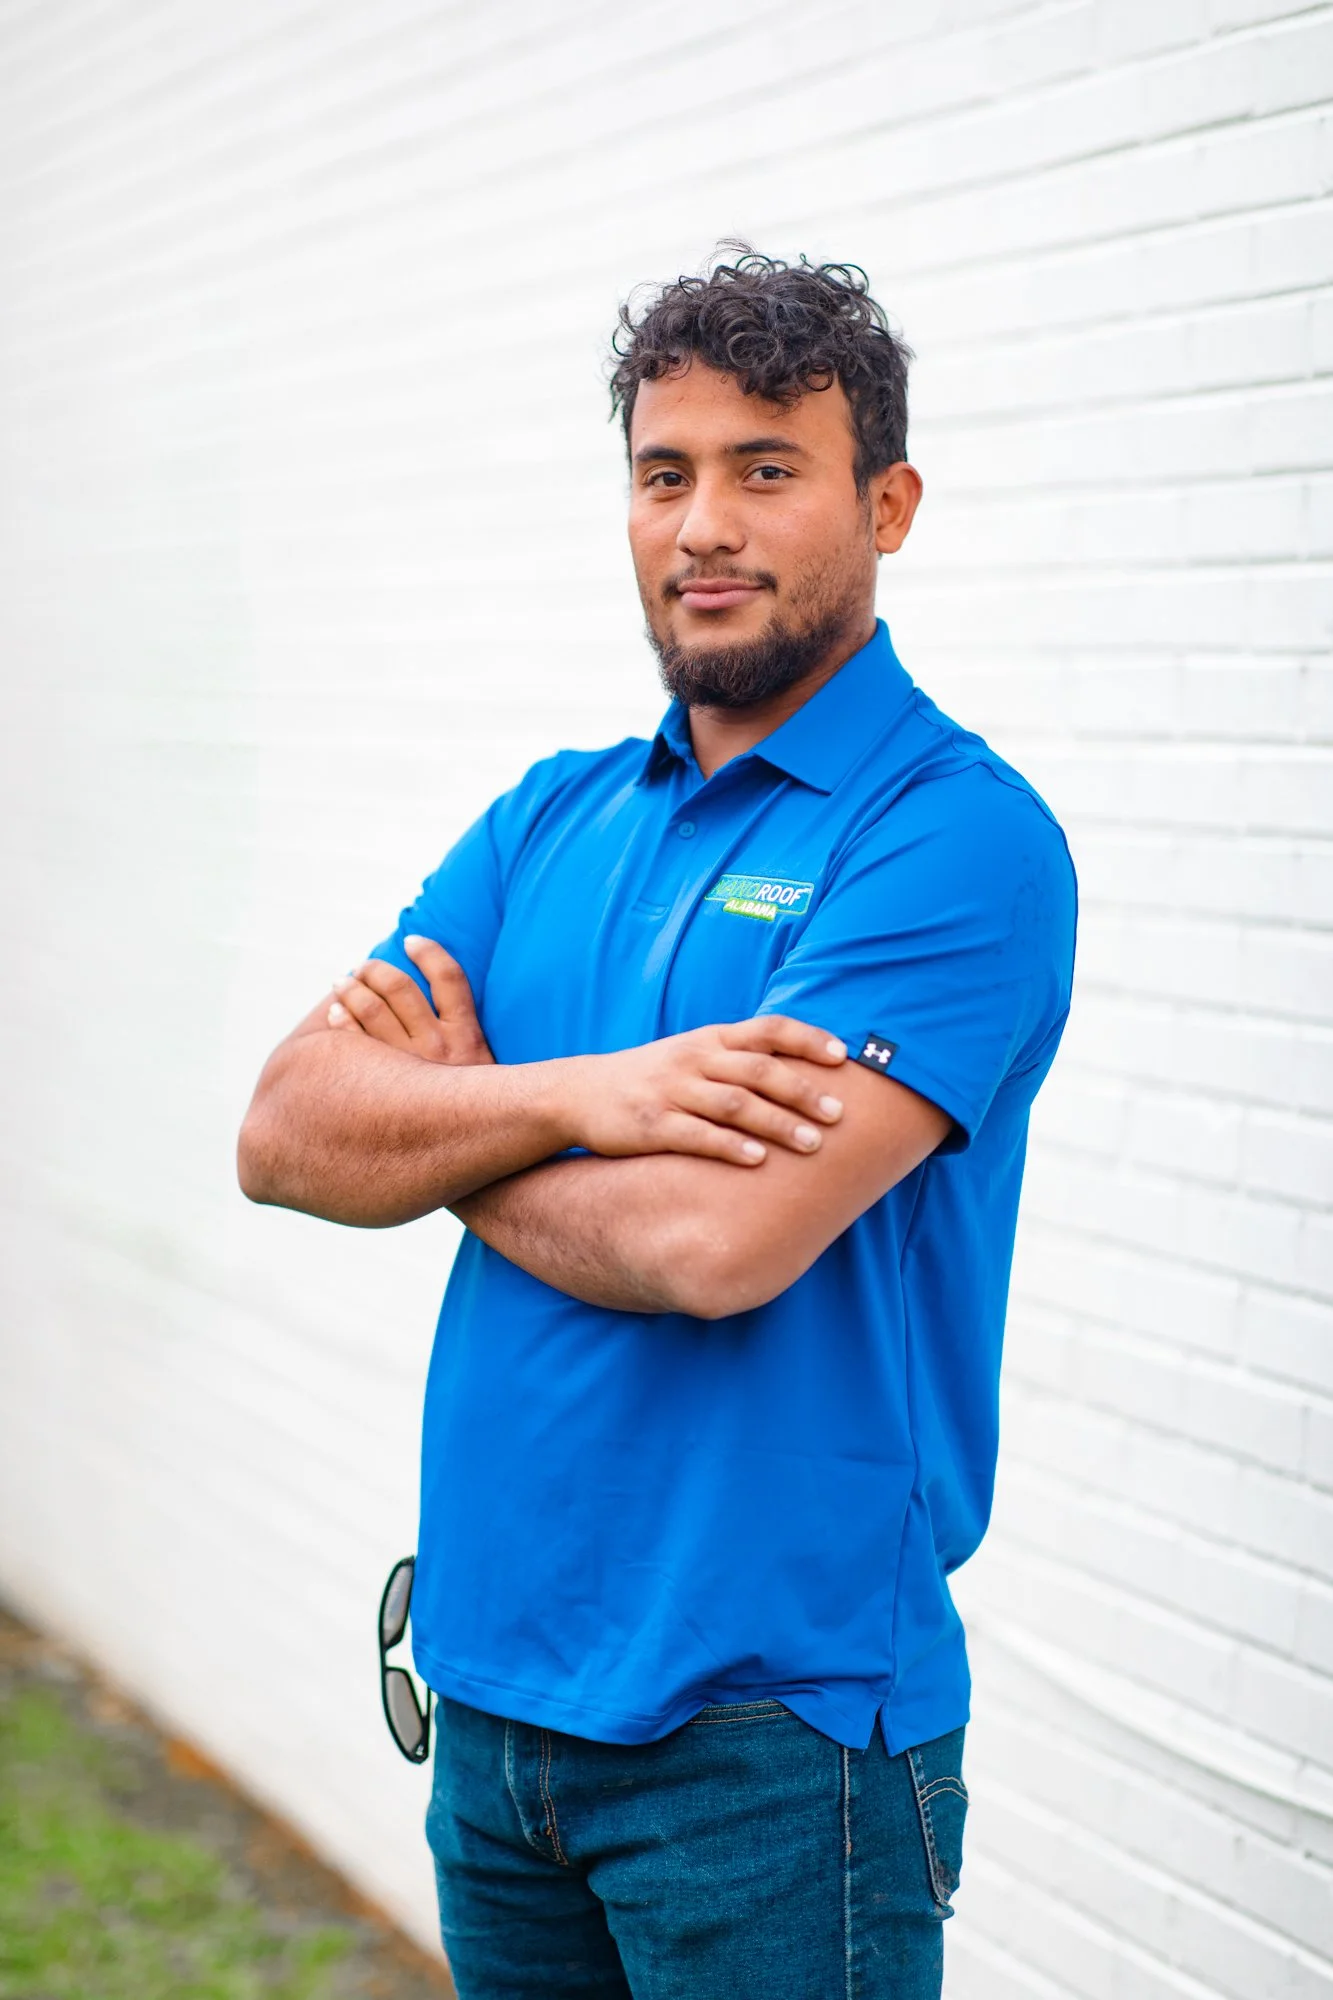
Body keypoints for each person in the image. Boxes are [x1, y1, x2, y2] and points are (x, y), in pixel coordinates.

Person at [238, 248, 1077, 2000]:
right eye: (663, 472)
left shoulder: (951, 843)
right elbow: (286, 1130)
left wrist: (452, 1128)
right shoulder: (551, 820)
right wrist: (582, 1099)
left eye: (767, 469)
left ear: (888, 503)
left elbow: (713, 1249)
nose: (704, 523)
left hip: (770, 1750)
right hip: (491, 1704)